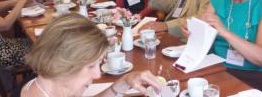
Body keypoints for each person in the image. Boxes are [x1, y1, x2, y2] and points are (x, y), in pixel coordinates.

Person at [21, 13, 161, 96]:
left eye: (98, 64)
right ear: (62, 62)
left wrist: (124, 82)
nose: (97, 75)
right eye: (90, 66)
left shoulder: (50, 86)